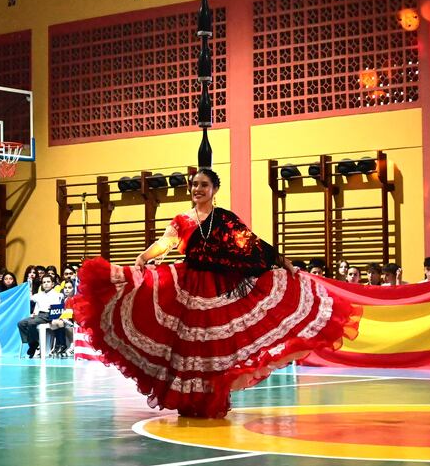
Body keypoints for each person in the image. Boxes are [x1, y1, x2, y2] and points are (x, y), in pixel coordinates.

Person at [74, 168, 360, 418]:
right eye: (194, 184)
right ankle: (187, 399)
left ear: (214, 190)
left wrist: (283, 262)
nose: (197, 189)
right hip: (186, 287)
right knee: (187, 347)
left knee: (213, 348)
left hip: (218, 288)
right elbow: (165, 243)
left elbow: (252, 244)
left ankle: (212, 398)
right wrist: (144, 256)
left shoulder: (224, 219)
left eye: (203, 185)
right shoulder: (182, 220)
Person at [18, 274, 63, 358]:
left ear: (53, 284)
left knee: (31, 323)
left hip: (48, 315)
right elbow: (29, 297)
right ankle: (32, 343)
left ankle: (33, 345)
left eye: (48, 282)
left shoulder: (57, 294)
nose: (46, 284)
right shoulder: (39, 294)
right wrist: (29, 284)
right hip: (39, 315)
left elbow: (58, 307)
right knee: (21, 323)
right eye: (44, 282)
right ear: (42, 284)